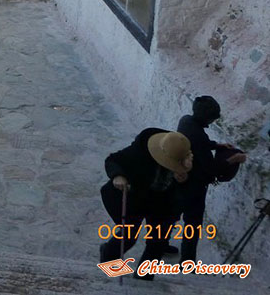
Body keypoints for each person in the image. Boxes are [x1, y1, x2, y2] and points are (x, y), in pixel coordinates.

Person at [99, 128, 192, 279]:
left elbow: (194, 184)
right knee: (129, 236)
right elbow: (114, 160)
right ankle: (109, 259)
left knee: (158, 242)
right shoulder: (141, 151)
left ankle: (144, 278)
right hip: (135, 199)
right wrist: (118, 176)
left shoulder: (184, 154)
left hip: (163, 204)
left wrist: (184, 179)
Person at [175, 96, 247, 262]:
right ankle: (187, 262)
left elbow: (198, 141)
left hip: (179, 179)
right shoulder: (198, 135)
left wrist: (217, 145)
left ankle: (161, 244)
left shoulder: (186, 121)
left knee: (172, 215)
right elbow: (212, 169)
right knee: (192, 223)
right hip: (194, 184)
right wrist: (234, 159)